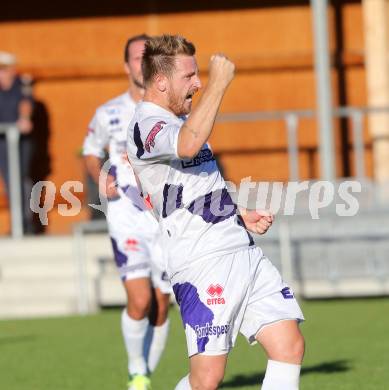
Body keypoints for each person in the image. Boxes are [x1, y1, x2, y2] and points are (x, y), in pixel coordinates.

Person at [127, 35, 305, 390]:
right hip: (202, 261)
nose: (198, 83)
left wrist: (237, 213)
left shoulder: (180, 122)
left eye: (200, 75)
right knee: (207, 379)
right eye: (189, 76)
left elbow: (191, 187)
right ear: (161, 82)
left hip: (238, 247)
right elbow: (188, 144)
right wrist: (220, 83)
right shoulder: (147, 124)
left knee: (289, 346)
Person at [82, 35, 170, 390]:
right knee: (140, 300)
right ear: (126, 66)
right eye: (137, 57)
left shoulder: (171, 109)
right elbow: (90, 151)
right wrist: (100, 176)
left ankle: (144, 376)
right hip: (125, 218)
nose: (142, 62)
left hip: (164, 219)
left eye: (149, 56)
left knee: (161, 305)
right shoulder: (109, 112)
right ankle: (138, 372)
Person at [0, 50, 35, 234]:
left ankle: (25, 223)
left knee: (21, 180)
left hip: (19, 142)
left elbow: (26, 103)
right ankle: (17, 223)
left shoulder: (22, 83)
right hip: (2, 142)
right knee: (8, 182)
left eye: (4, 68)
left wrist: (24, 118)